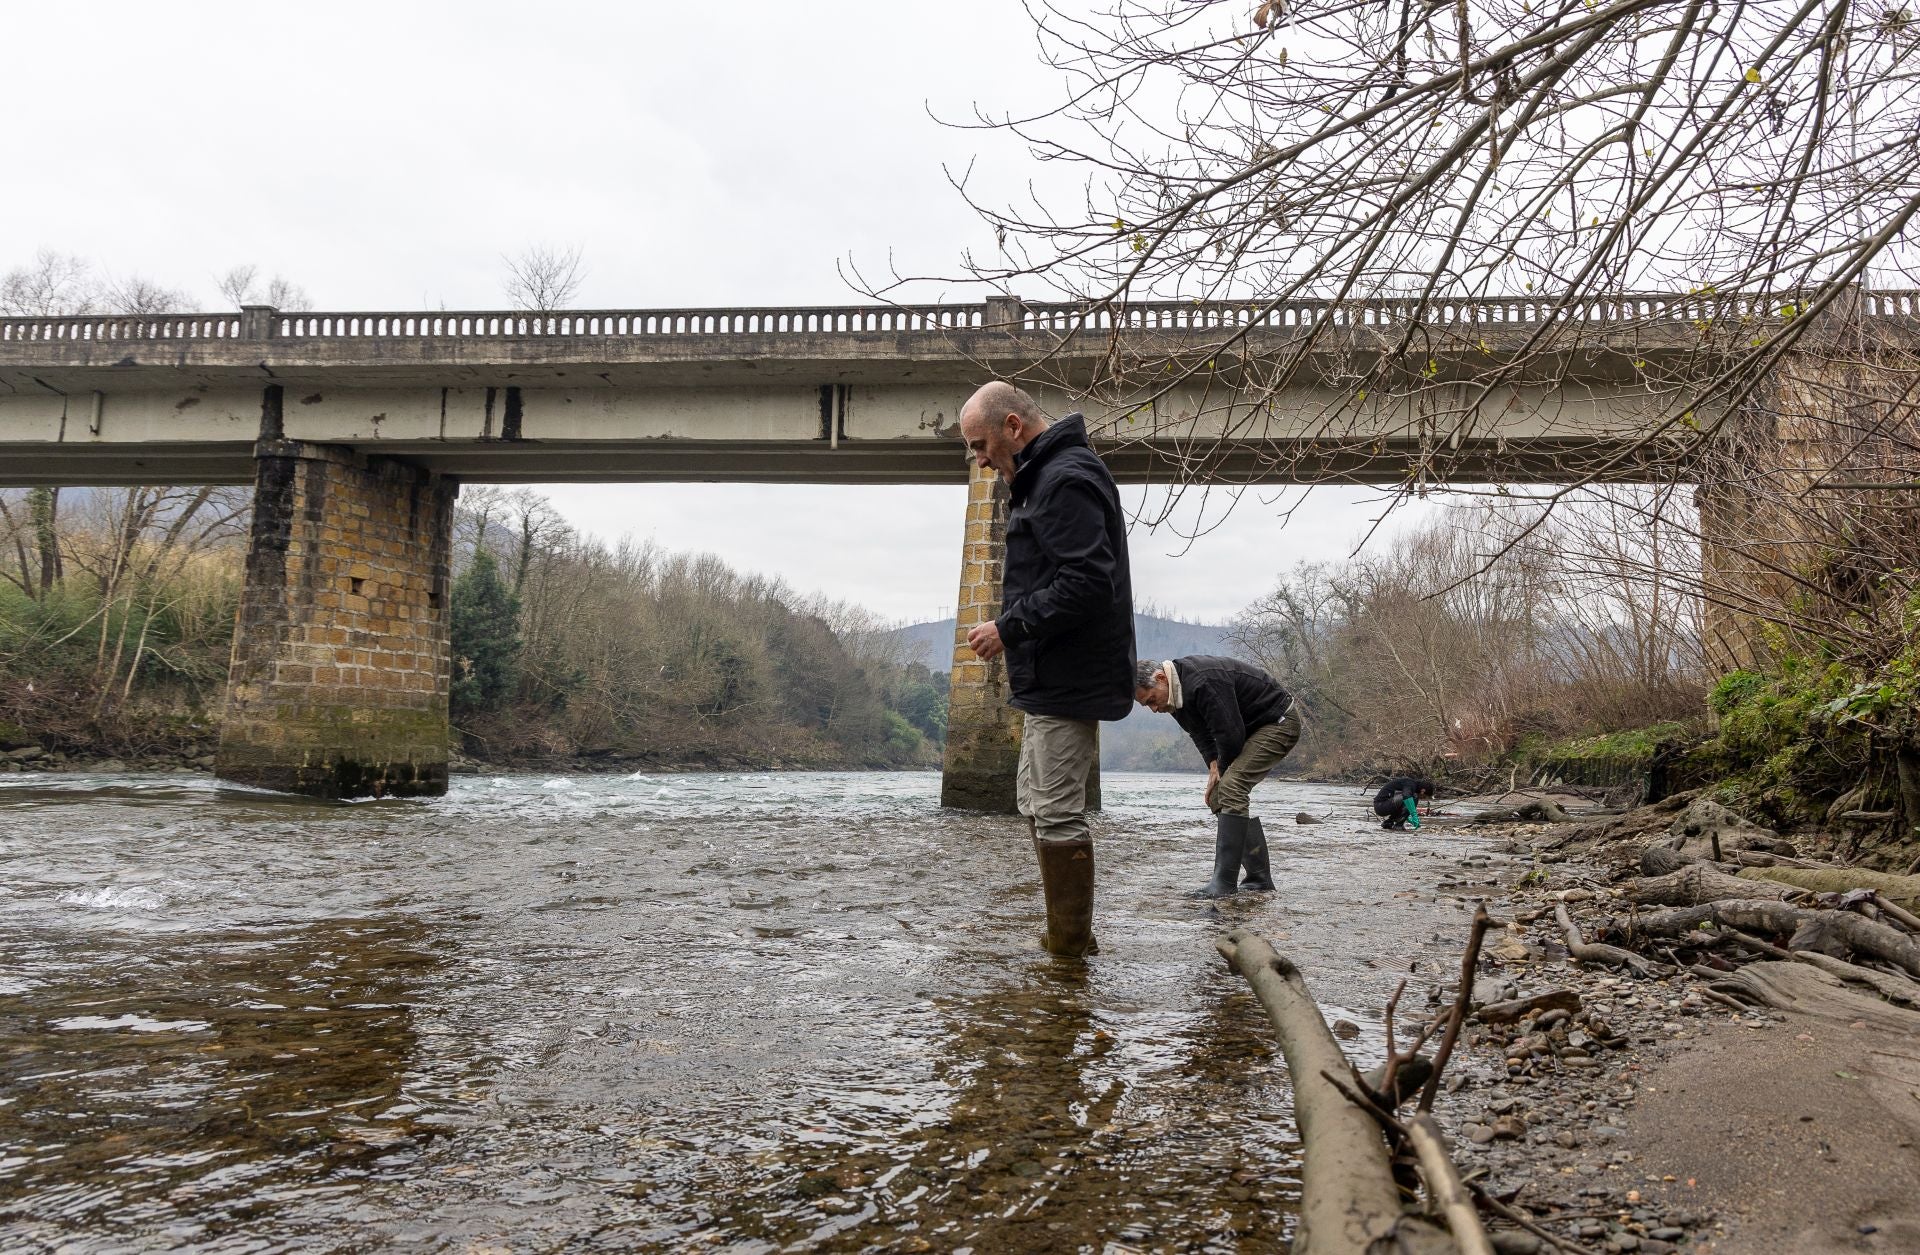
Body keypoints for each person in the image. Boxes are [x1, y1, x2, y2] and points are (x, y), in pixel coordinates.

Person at [960, 381, 1134, 958]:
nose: (978, 459)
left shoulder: (1065, 479)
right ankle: (1065, 943)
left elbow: (1087, 584)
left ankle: (1070, 950)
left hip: (1070, 681)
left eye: (981, 444)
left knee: (1056, 816)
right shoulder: (1043, 479)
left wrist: (1008, 628)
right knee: (1038, 807)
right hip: (1050, 679)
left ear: (1013, 427)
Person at [1134, 656, 1301, 897]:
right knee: (1217, 796)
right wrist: (1213, 766)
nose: (1154, 709)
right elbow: (1199, 733)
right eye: (1147, 706)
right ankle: (1259, 878)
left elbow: (1230, 735)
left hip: (1279, 722)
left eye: (1151, 700)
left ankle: (1224, 884)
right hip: (1250, 730)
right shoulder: (1174, 694)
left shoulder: (1203, 681)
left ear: (1161, 678)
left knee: (1231, 787)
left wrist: (1221, 769)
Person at [1373, 777, 1437, 830]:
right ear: (1423, 791)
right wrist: (1414, 815)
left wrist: (1406, 816)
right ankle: (1398, 825)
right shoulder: (1410, 784)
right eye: (1424, 796)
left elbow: (1401, 803)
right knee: (1413, 797)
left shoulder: (1411, 784)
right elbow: (1406, 796)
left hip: (1382, 805)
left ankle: (1388, 823)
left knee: (1411, 797)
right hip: (1381, 806)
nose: (1423, 798)